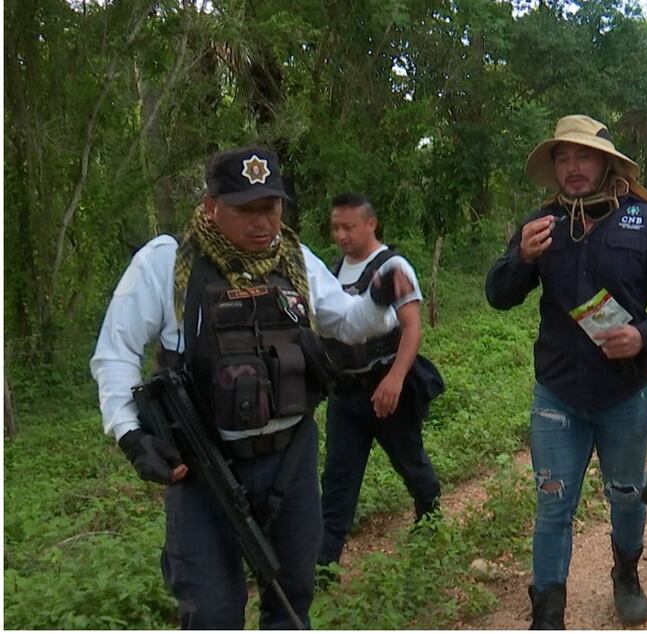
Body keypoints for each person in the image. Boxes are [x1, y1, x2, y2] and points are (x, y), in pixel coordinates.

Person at [90, 147, 410, 629]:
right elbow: (116, 352)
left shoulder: (294, 258)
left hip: (291, 459)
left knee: (292, 596)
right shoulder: (167, 263)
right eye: (246, 209)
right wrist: (130, 435)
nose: (263, 223)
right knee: (212, 611)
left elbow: (346, 322)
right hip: (204, 470)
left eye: (271, 208)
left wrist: (380, 297)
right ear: (210, 205)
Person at [485, 115, 647, 629]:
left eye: (582, 156)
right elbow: (499, 296)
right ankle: (548, 611)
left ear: (605, 162)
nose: (572, 167)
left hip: (625, 396)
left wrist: (642, 334)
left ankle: (626, 573)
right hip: (556, 394)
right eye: (562, 157)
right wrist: (519, 258)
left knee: (626, 495)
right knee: (553, 504)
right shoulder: (540, 224)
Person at [316, 193, 443, 581]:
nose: (341, 235)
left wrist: (396, 378)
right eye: (335, 227)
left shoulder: (392, 267)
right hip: (346, 394)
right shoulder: (332, 272)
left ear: (370, 224)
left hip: (388, 388)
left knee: (410, 461)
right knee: (338, 478)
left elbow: (412, 326)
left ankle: (430, 517)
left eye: (348, 226)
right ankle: (323, 566)